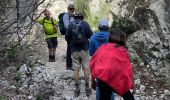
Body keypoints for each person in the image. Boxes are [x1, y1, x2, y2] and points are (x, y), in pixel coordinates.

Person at [90, 28, 135, 100]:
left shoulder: (102, 48)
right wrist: (132, 86)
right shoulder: (123, 51)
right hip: (117, 79)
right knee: (129, 97)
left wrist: (93, 80)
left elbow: (93, 63)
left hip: (102, 78)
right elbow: (128, 69)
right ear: (123, 39)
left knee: (105, 97)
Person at [66, 12, 93, 97]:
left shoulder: (70, 25)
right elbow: (91, 36)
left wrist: (71, 43)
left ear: (74, 17)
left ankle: (77, 89)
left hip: (74, 50)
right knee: (86, 68)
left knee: (76, 69)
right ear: (82, 17)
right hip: (84, 49)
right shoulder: (85, 24)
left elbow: (67, 37)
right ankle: (87, 87)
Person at [89, 19, 115, 100]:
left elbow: (91, 53)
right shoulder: (112, 37)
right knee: (111, 85)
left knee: (99, 86)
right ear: (108, 27)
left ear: (99, 27)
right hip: (110, 66)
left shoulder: (93, 38)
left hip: (98, 66)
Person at [63, 4, 75, 70]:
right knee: (69, 50)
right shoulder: (66, 16)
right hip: (69, 35)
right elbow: (66, 26)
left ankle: (72, 65)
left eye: (73, 9)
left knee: (74, 50)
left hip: (74, 35)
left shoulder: (73, 16)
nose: (72, 10)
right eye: (70, 9)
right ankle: (69, 66)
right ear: (68, 9)